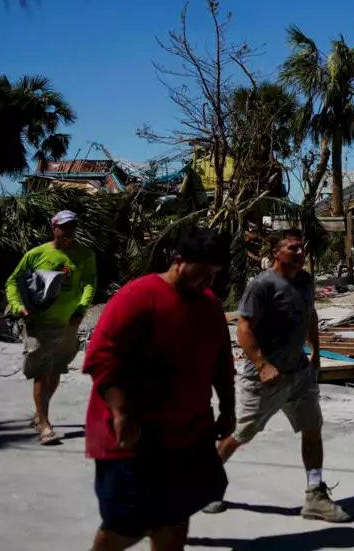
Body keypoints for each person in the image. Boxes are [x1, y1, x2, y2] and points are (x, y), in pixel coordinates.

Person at [83, 229, 235, 551]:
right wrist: (121, 411)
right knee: (125, 526)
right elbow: (101, 358)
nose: (208, 281)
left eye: (214, 274)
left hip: (187, 434)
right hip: (133, 436)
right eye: (202, 271)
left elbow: (222, 362)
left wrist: (228, 409)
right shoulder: (137, 296)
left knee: (175, 520)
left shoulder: (209, 306)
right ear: (179, 262)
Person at [203, 228, 350, 522]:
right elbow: (243, 328)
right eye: (293, 248)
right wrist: (261, 364)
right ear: (276, 253)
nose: (300, 253)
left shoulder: (306, 281)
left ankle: (315, 494)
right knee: (240, 433)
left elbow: (311, 315)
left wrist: (317, 352)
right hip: (263, 377)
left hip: (299, 372)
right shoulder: (262, 285)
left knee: (312, 428)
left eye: (302, 247)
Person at [5, 209, 97, 445]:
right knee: (41, 373)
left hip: (67, 324)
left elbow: (89, 283)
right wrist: (18, 306)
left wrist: (81, 309)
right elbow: (13, 282)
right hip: (38, 323)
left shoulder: (84, 255)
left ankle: (39, 412)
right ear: (54, 228)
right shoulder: (36, 254)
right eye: (64, 227)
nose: (69, 232)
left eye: (72, 227)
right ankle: (45, 425)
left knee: (55, 371)